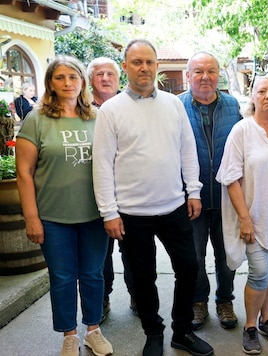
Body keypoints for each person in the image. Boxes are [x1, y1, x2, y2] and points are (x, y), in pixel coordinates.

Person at [92, 39, 213, 356]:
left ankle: (182, 331)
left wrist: (194, 191)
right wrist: (109, 212)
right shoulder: (111, 111)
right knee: (143, 278)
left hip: (174, 207)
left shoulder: (173, 105)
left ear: (157, 66)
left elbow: (188, 150)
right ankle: (154, 334)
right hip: (131, 215)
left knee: (188, 268)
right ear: (126, 67)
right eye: (136, 62)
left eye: (149, 62)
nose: (143, 68)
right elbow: (102, 164)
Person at [15, 55, 113, 356]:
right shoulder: (36, 119)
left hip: (94, 215)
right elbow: (23, 172)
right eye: (60, 78)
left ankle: (93, 330)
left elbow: (112, 164)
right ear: (50, 84)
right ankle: (69, 335)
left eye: (73, 77)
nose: (68, 83)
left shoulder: (97, 117)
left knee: (94, 274)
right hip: (53, 217)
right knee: (62, 277)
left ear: (82, 81)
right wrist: (32, 218)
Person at [216, 75, 268, 354]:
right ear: (252, 96)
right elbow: (230, 177)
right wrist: (244, 218)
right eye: (261, 91)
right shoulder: (242, 130)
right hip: (253, 215)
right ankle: (250, 326)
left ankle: (266, 321)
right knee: (260, 273)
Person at [178, 51, 241, 330]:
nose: (205, 77)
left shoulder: (232, 105)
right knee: (194, 255)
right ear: (188, 75)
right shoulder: (175, 106)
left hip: (227, 196)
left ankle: (225, 300)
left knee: (227, 255)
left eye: (211, 71)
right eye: (199, 71)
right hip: (191, 198)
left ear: (219, 75)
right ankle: (198, 300)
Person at [87, 56, 135, 324]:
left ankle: (137, 294)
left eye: (110, 74)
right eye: (99, 74)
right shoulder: (82, 110)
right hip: (98, 195)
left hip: (130, 192)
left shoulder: (128, 107)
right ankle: (103, 297)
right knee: (101, 255)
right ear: (90, 80)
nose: (105, 78)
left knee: (134, 252)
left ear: (119, 79)